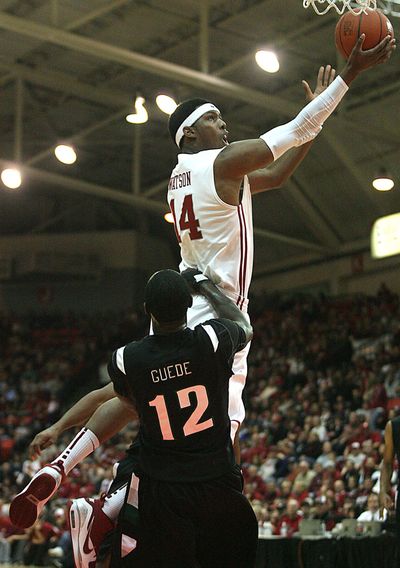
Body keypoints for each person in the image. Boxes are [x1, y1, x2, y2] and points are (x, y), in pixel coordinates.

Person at [10, 34, 396, 567]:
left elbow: (280, 172)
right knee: (215, 443)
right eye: (217, 119)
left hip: (184, 302)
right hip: (219, 318)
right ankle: (123, 510)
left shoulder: (186, 178)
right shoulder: (217, 165)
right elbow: (291, 131)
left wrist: (317, 119)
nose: (225, 126)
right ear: (191, 132)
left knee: (134, 393)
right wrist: (349, 75)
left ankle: (72, 474)